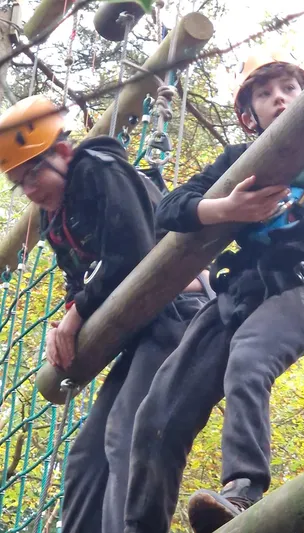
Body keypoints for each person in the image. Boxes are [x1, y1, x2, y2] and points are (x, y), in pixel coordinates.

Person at [120, 53, 304, 533]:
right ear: (250, 115)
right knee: (157, 413)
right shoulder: (240, 163)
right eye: (266, 95)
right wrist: (226, 207)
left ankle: (242, 490)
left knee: (249, 359)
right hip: (240, 292)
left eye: (290, 90)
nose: (280, 99)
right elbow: (170, 208)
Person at [0, 95, 213, 533]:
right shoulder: (55, 216)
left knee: (124, 437)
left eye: (34, 172)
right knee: (85, 456)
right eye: (21, 183)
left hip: (178, 314)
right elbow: (80, 283)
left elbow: (134, 250)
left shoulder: (99, 171)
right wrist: (68, 316)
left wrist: (79, 313)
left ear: (62, 153)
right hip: (145, 329)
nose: (32, 188)